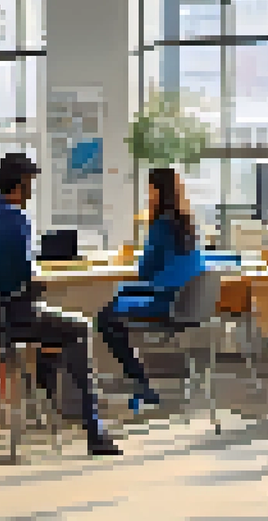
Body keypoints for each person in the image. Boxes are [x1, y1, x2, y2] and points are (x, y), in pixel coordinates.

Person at [0, 152, 121, 456]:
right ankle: (93, 430)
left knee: (48, 326)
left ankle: (45, 402)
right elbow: (23, 280)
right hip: (4, 320)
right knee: (79, 327)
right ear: (19, 187)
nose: (30, 195)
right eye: (30, 188)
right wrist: (36, 284)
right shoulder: (17, 220)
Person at [96, 167, 207, 413]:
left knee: (105, 316)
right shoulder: (189, 224)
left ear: (158, 191)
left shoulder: (161, 224)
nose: (148, 194)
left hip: (167, 302)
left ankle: (140, 381)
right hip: (189, 305)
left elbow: (146, 271)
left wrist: (127, 287)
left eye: (149, 188)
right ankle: (138, 382)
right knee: (119, 299)